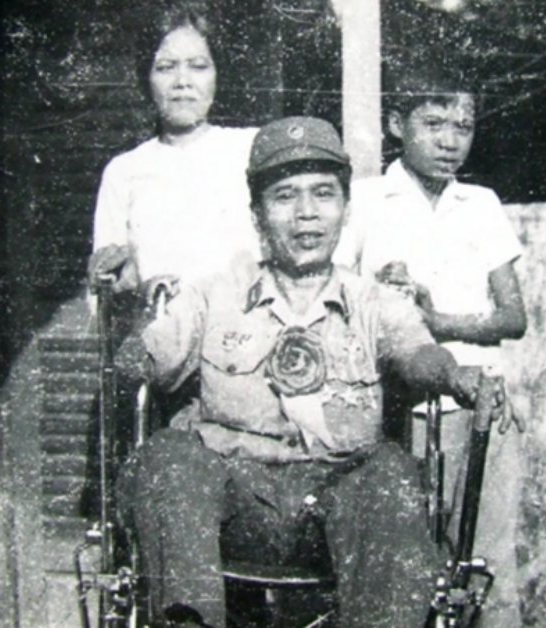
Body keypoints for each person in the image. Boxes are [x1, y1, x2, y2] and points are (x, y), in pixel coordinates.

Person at [117, 117, 497, 627]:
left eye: (323, 194)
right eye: (284, 196)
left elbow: (416, 352)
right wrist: (137, 317)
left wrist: (453, 375)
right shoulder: (214, 294)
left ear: (346, 208)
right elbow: (140, 362)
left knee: (391, 471)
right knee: (166, 455)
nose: (306, 214)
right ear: (257, 214)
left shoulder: (374, 301)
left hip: (338, 505)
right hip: (234, 507)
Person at [334, 58, 527, 624]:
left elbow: (513, 316)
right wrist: (385, 298)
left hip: (481, 406)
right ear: (397, 124)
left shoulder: (481, 204)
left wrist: (437, 319)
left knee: (486, 563)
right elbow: (338, 294)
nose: (450, 141)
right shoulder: (366, 200)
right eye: (434, 124)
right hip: (397, 410)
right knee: (406, 563)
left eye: (463, 127)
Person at [87, 0, 260, 301]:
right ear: (147, 78)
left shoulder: (251, 148)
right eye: (166, 67)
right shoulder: (123, 172)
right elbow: (106, 289)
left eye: (198, 66)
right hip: (160, 324)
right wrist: (122, 285)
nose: (182, 82)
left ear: (218, 74)